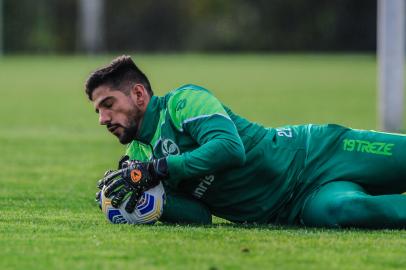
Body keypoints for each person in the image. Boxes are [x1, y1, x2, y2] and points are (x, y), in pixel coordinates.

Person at [85, 55, 406, 229]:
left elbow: (229, 148)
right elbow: (199, 216)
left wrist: (163, 168)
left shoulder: (183, 103)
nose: (102, 119)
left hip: (317, 154)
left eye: (108, 104)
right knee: (349, 210)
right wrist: (155, 205)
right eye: (98, 111)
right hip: (296, 207)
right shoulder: (139, 156)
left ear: (138, 94)